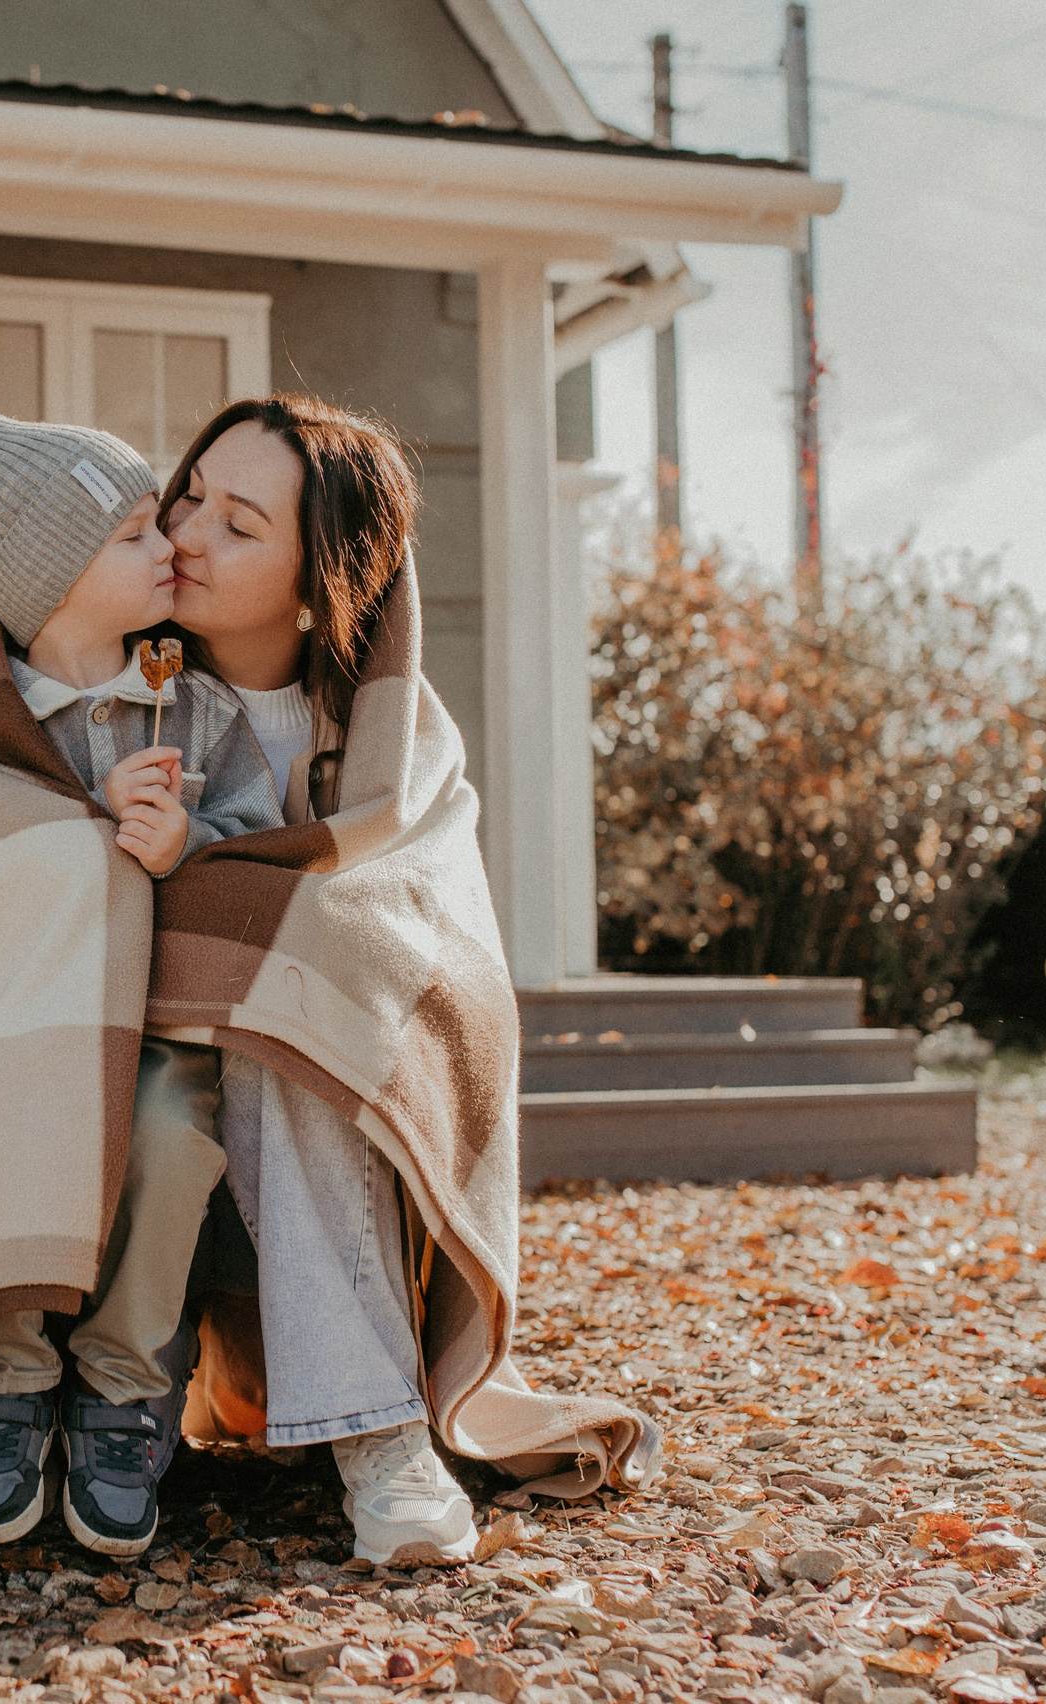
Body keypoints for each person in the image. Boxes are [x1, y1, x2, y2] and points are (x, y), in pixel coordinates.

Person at [144, 395, 656, 1565]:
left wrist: (249, 919)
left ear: (318, 581)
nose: (184, 533)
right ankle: (102, 1421)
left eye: (236, 522)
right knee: (286, 986)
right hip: (133, 1046)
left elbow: (427, 943)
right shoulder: (122, 684)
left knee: (303, 1002)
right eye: (187, 496)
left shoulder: (393, 732)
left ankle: (377, 1431)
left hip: (314, 1100)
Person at [0, 396, 285, 1556]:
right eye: (132, 535)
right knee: (7, 1128)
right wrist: (73, 835)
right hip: (13, 1028)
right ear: (57, 580)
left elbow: (256, 845)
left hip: (156, 1026)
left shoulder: (194, 705)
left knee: (173, 1135)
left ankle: (124, 1390)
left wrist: (185, 843)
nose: (168, 542)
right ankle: (8, 1382)